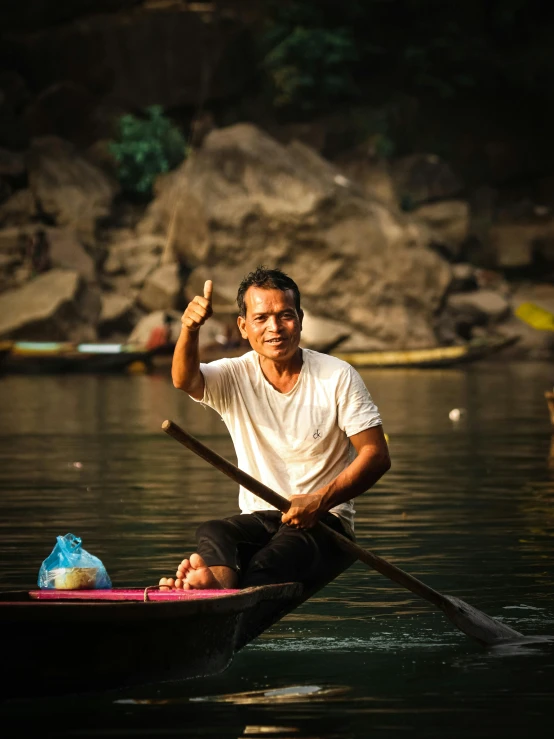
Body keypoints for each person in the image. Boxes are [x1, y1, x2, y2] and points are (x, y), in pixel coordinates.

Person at [159, 267, 391, 591]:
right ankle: (214, 591)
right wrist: (190, 329)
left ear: (300, 318)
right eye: (261, 318)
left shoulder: (337, 376)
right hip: (264, 518)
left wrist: (319, 500)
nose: (274, 328)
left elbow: (377, 455)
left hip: (326, 523)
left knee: (267, 565)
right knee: (214, 532)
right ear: (243, 326)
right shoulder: (234, 376)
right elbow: (184, 379)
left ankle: (215, 592)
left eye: (285, 316)